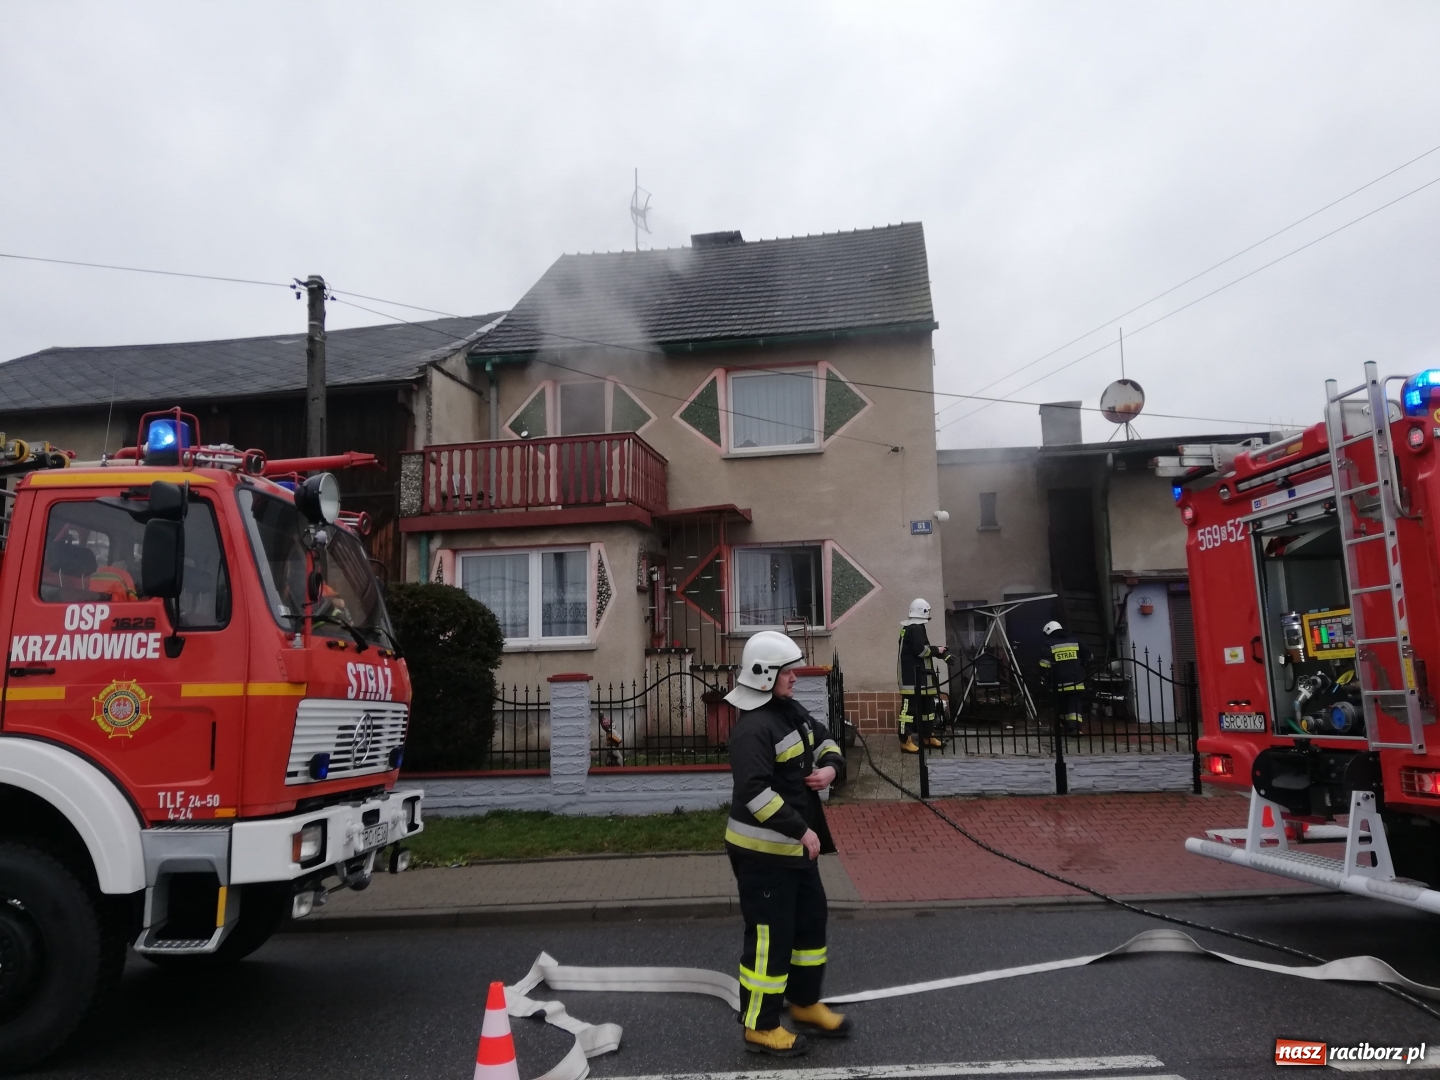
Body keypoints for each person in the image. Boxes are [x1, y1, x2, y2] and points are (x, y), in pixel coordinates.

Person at [724, 631, 851, 1057]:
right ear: (764, 675)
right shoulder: (753, 729)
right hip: (764, 857)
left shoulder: (788, 711)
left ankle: (804, 1003)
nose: (795, 677)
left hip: (795, 853)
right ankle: (760, 1027)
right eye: (787, 671)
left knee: (810, 926)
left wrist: (831, 767)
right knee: (770, 940)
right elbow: (755, 793)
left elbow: (824, 738)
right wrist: (802, 830)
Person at [897, 598, 948, 753]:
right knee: (908, 712)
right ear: (923, 612)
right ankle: (906, 742)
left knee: (928, 709)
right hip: (913, 679)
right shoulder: (915, 628)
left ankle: (928, 737)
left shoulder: (913, 627)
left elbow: (921, 649)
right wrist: (937, 650)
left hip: (921, 678)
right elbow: (920, 651)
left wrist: (938, 652)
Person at [1039, 620, 1089, 735]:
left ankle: (1064, 727)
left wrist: (1044, 677)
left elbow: (1044, 664)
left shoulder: (1050, 643)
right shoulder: (1075, 641)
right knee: (1074, 704)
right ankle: (1075, 729)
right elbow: (1089, 656)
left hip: (1059, 682)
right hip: (1077, 680)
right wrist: (1082, 663)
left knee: (1062, 704)